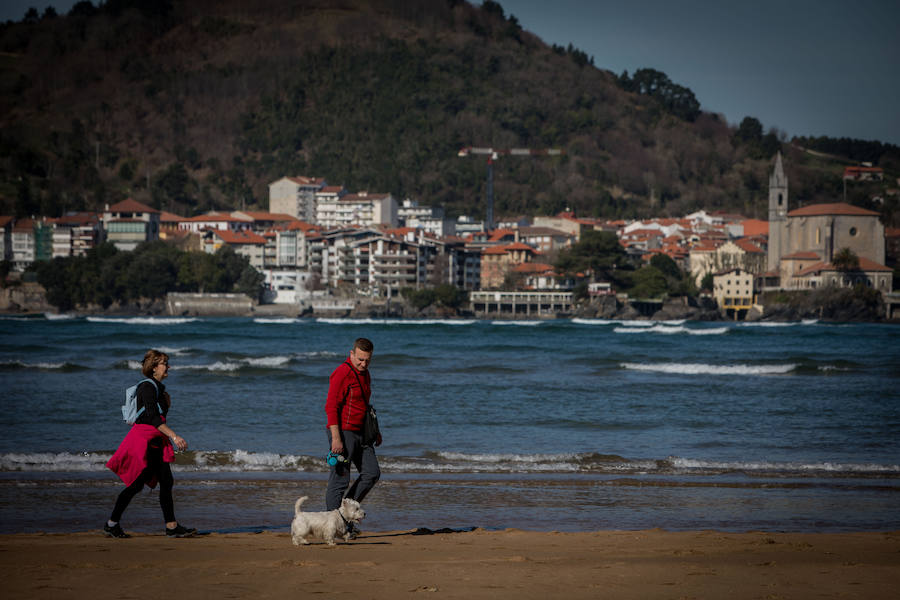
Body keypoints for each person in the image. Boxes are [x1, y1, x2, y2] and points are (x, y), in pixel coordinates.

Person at [104, 349, 196, 538]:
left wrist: (167, 405)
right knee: (136, 485)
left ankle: (171, 526)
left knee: (166, 481)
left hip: (156, 442)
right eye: (164, 363)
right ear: (154, 367)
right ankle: (111, 524)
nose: (168, 366)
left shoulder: (160, 390)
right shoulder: (147, 387)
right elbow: (153, 418)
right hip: (144, 442)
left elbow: (156, 415)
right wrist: (174, 436)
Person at [325, 337, 381, 535]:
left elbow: (365, 406)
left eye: (367, 360)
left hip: (363, 433)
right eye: (360, 359)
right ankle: (333, 526)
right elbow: (331, 407)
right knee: (340, 480)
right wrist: (336, 438)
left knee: (372, 473)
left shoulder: (366, 374)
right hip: (343, 433)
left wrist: (376, 431)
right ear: (351, 354)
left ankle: (345, 515)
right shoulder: (341, 373)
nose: (363, 364)